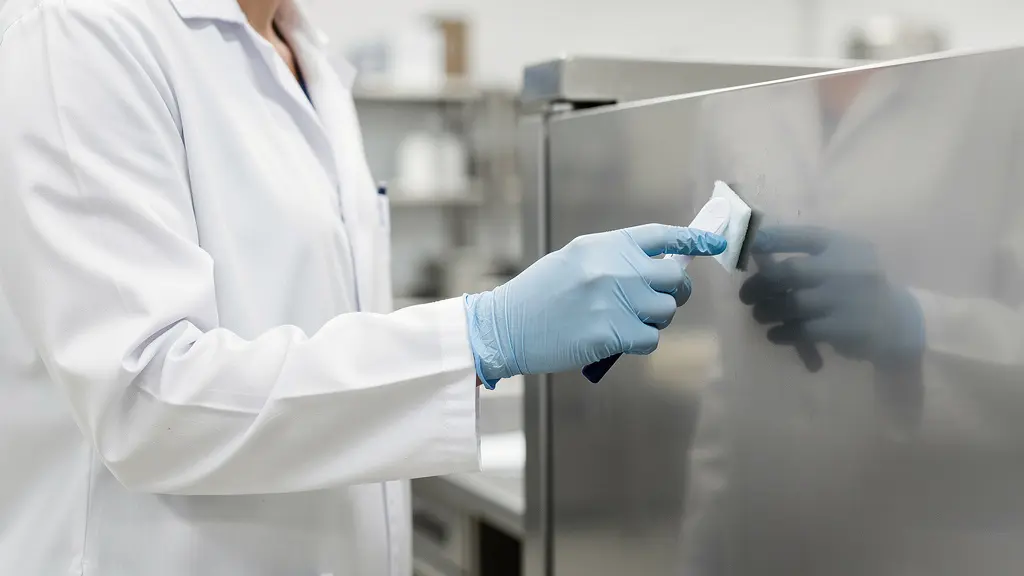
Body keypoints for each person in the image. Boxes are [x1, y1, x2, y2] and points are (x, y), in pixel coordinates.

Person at [0, 0, 726, 574]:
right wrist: (480, 335)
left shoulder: (307, 57)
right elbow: (146, 396)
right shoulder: (82, 29)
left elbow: (314, 322)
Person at [680, 50, 1024, 575]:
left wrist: (917, 326)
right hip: (764, 540)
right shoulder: (734, 100)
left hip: (942, 544)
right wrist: (703, 554)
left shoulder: (1003, 73)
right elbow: (732, 367)